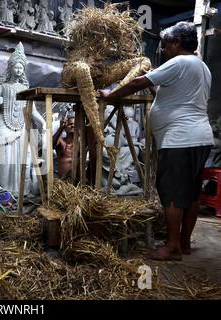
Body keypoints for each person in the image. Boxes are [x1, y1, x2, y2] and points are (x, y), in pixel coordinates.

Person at [100, 21, 214, 261]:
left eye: (165, 45)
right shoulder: (202, 67)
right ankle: (183, 243)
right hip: (200, 137)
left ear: (176, 43)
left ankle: (172, 247)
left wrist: (111, 95)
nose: (163, 50)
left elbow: (137, 83)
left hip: (180, 139)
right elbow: (172, 97)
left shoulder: (179, 62)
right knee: (191, 193)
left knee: (171, 191)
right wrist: (154, 92)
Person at [0, 42, 46, 197]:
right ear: (11, 68)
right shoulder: (3, 87)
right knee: (6, 160)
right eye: (16, 67)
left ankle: (20, 190)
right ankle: (2, 190)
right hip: (4, 124)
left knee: (23, 160)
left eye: (21, 67)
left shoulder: (24, 89)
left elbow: (32, 110)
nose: (19, 70)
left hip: (20, 126)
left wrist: (42, 121)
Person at [53, 114, 75, 180]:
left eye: (75, 124)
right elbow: (51, 145)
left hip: (78, 182)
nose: (73, 125)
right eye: (70, 124)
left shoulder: (81, 143)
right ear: (65, 127)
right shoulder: (60, 141)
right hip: (63, 182)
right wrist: (60, 128)